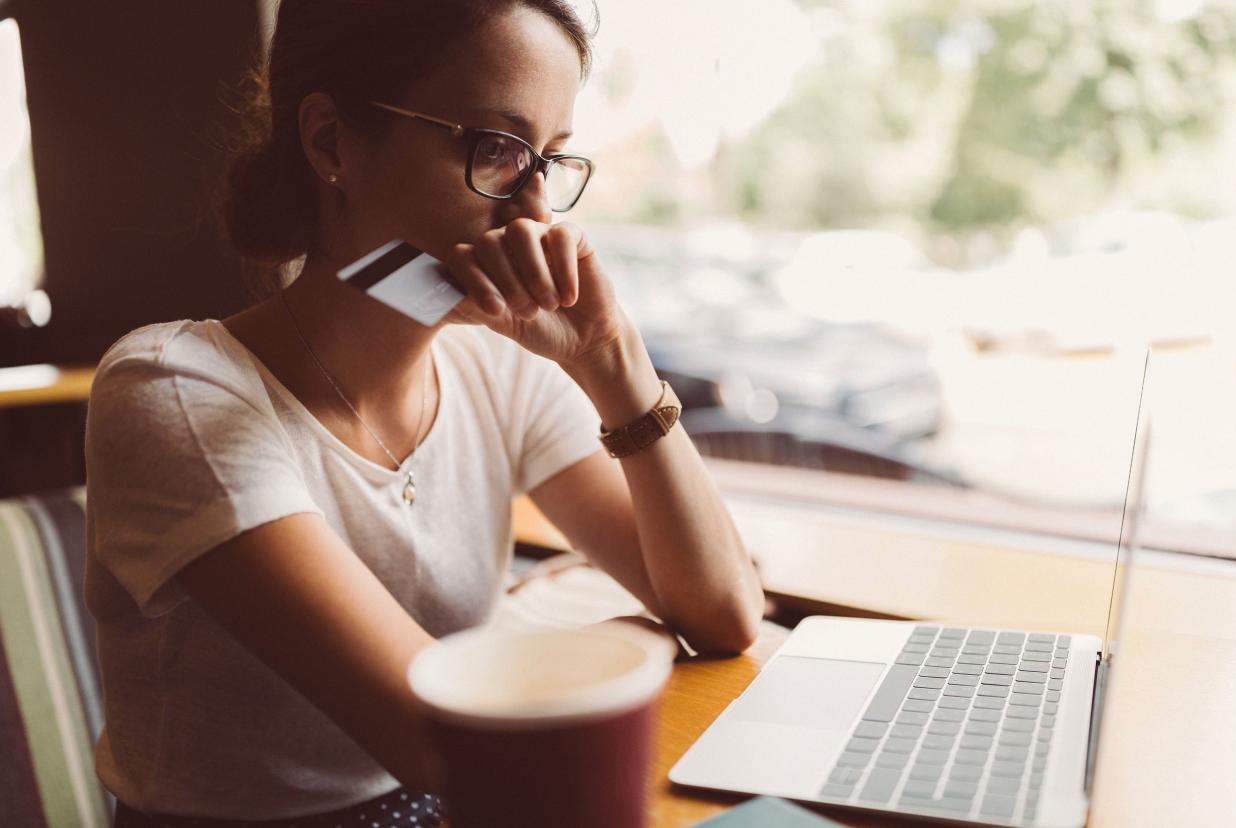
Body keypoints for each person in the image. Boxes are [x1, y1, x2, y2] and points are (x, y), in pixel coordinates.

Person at [84, 1, 766, 826]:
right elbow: (444, 743)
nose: (537, 215)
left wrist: (610, 360)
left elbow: (726, 613)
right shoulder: (176, 394)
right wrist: (631, 645)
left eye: (549, 159)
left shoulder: (496, 366)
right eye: (496, 149)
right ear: (332, 141)